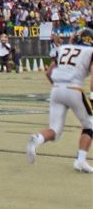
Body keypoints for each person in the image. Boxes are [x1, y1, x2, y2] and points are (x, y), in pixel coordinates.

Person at [26, 28, 93, 173]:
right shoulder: (89, 52)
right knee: (90, 125)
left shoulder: (62, 49)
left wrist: (59, 87)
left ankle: (37, 139)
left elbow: (49, 72)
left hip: (56, 89)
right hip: (74, 89)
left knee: (55, 130)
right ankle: (80, 161)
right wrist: (92, 96)